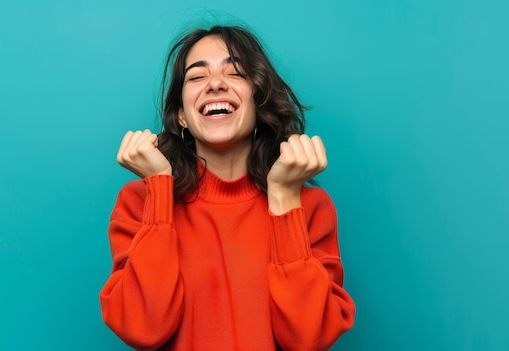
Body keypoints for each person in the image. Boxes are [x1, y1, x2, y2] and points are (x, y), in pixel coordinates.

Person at [99, 25, 355, 350]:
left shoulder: (308, 205)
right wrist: (160, 191)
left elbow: (308, 338)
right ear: (181, 115)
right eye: (196, 77)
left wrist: (285, 200)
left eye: (234, 72)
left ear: (259, 101)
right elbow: (143, 329)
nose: (215, 83)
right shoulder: (140, 202)